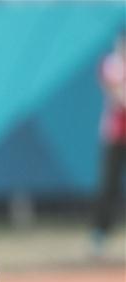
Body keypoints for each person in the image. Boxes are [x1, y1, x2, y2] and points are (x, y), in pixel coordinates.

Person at [92, 31, 126, 255]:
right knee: (109, 186)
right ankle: (100, 236)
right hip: (115, 135)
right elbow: (117, 94)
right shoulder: (113, 65)